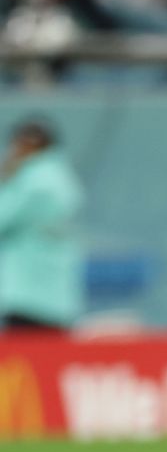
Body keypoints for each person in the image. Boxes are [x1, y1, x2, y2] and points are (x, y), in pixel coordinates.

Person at [0, 119, 84, 331]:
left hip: (29, 293)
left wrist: (5, 179)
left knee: (27, 358)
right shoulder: (62, 176)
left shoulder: (33, 180)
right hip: (58, 293)